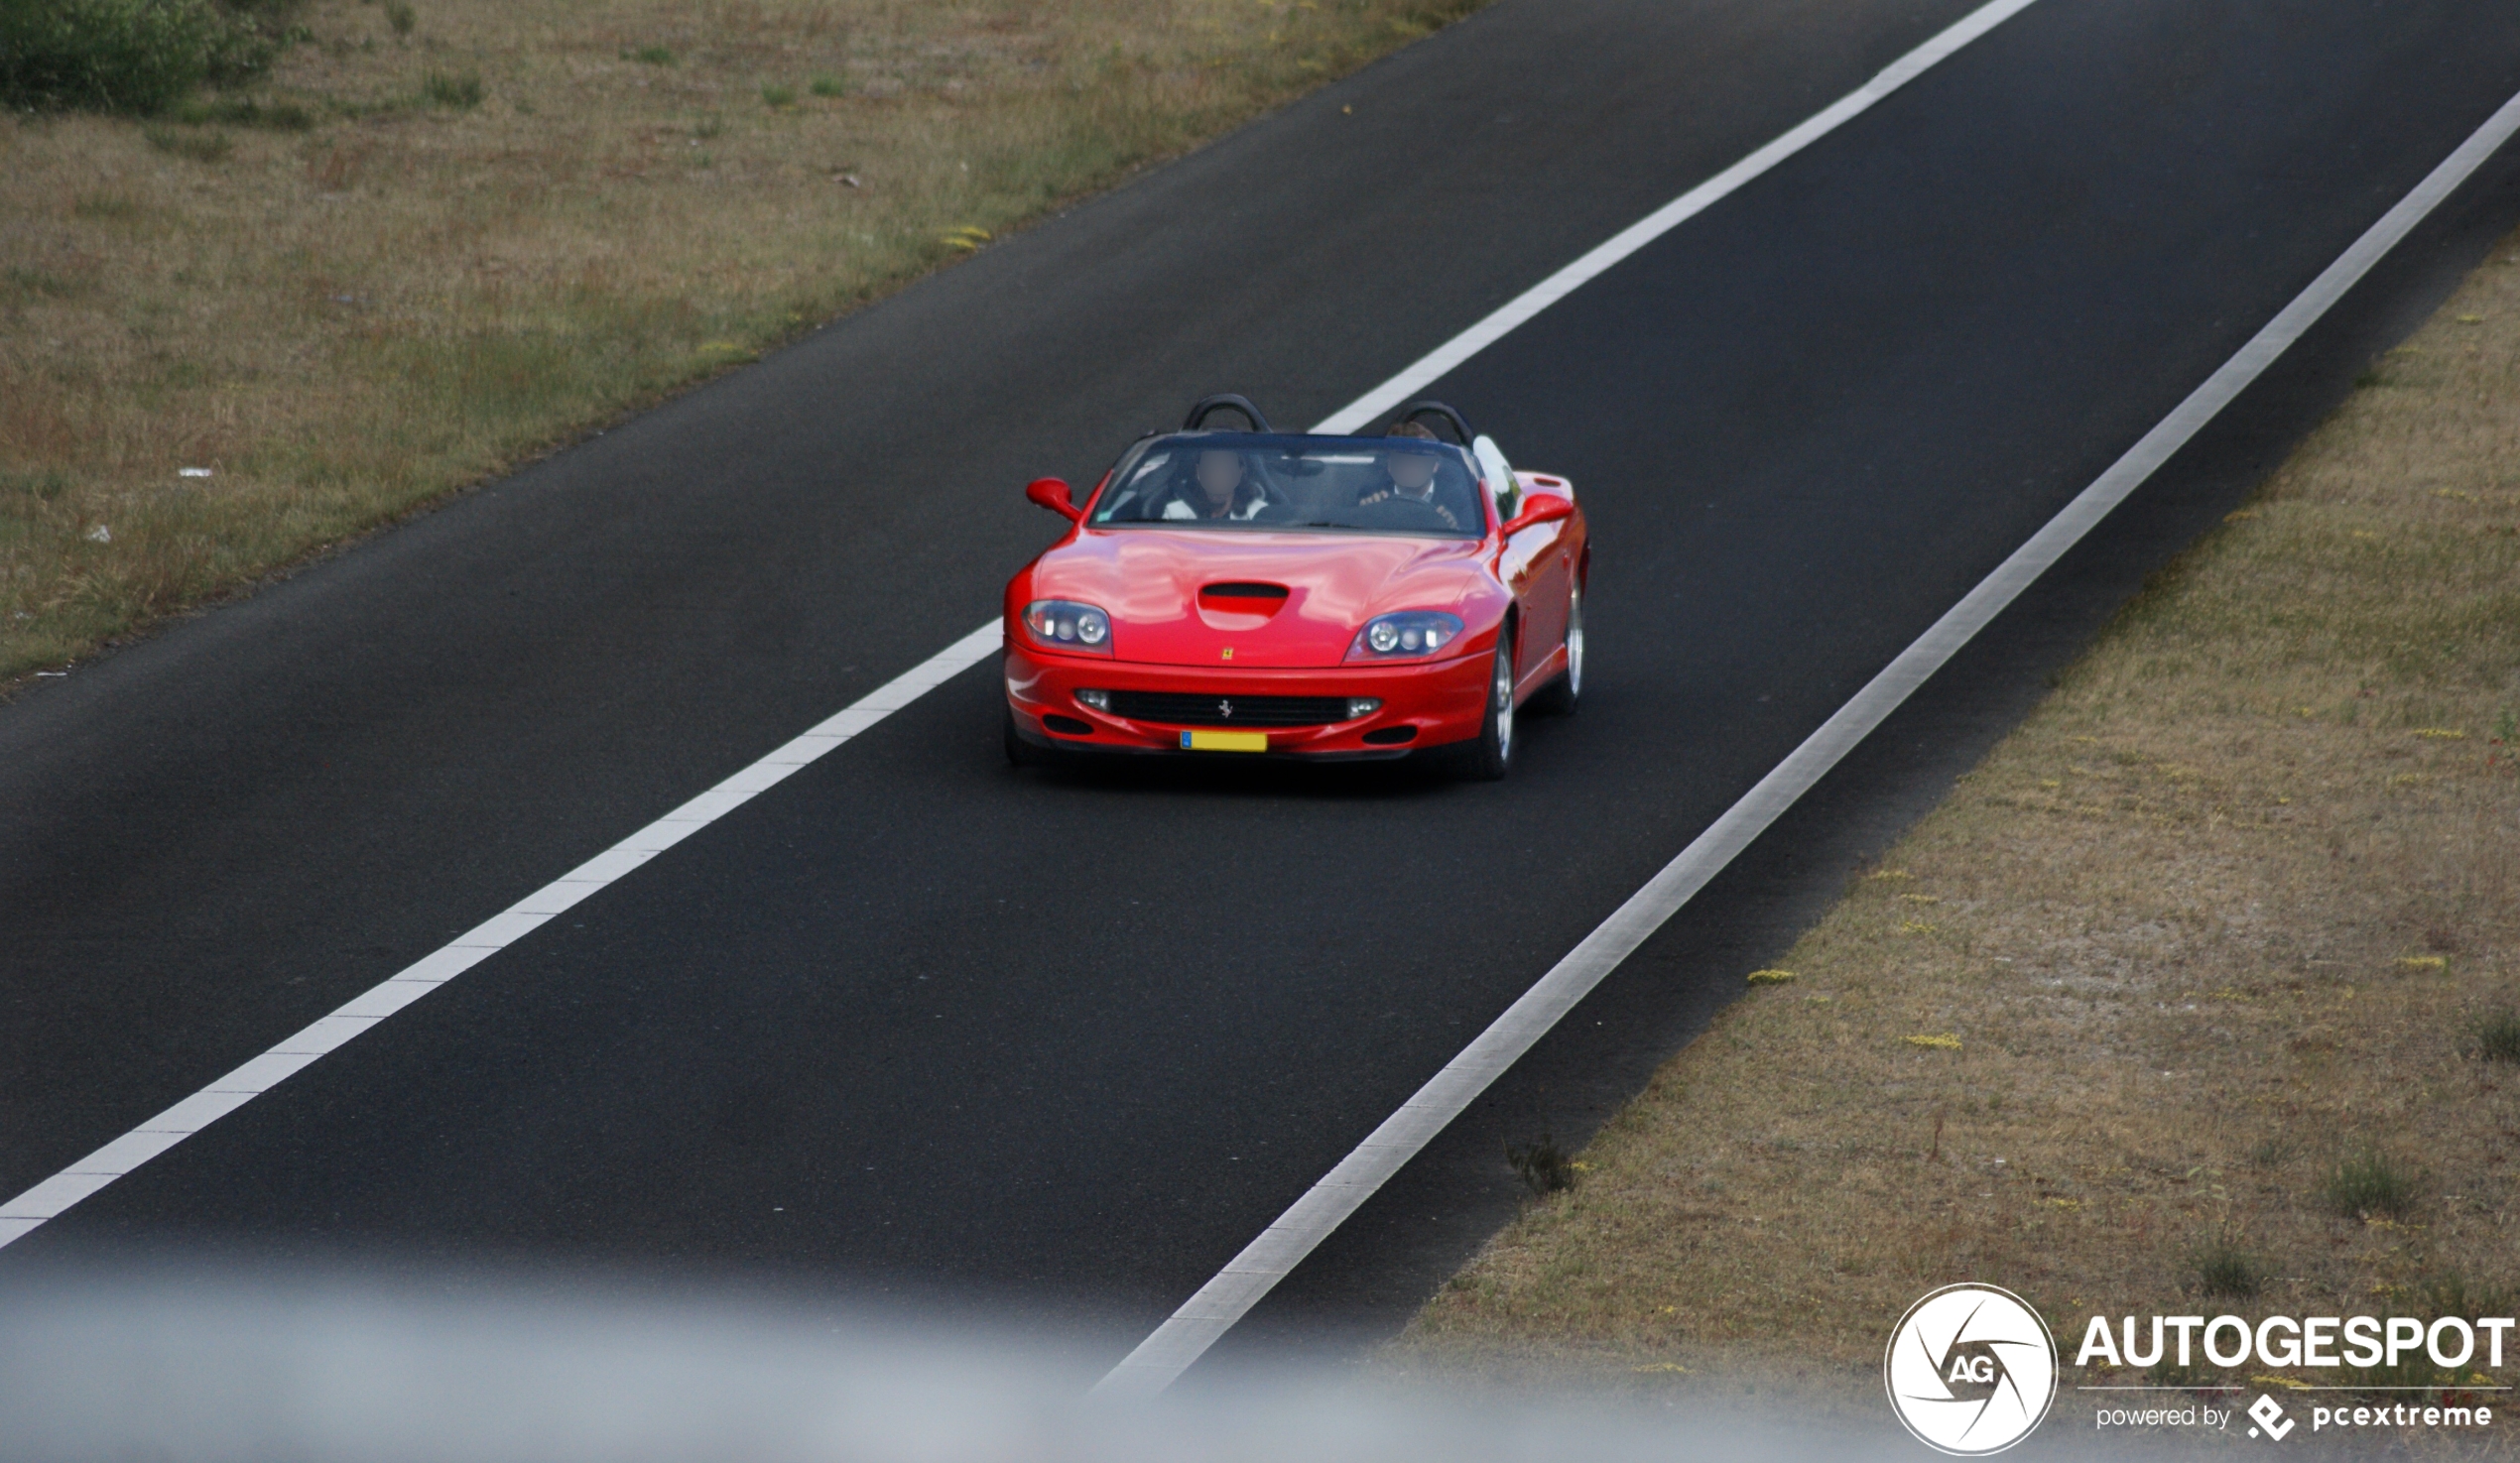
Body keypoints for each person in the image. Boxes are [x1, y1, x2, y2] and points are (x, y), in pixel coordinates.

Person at [1354, 420, 1465, 531]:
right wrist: (1363, 515)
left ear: (1435, 465)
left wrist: (1454, 527)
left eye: (1419, 460)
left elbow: (1471, 538)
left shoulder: (1457, 500)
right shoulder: (1370, 493)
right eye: (1403, 460)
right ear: (1390, 465)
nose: (1411, 466)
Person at [1163, 448, 1268, 521]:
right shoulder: (1175, 513)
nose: (1218, 472)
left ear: (1240, 472)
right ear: (1199, 471)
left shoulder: (1259, 512)